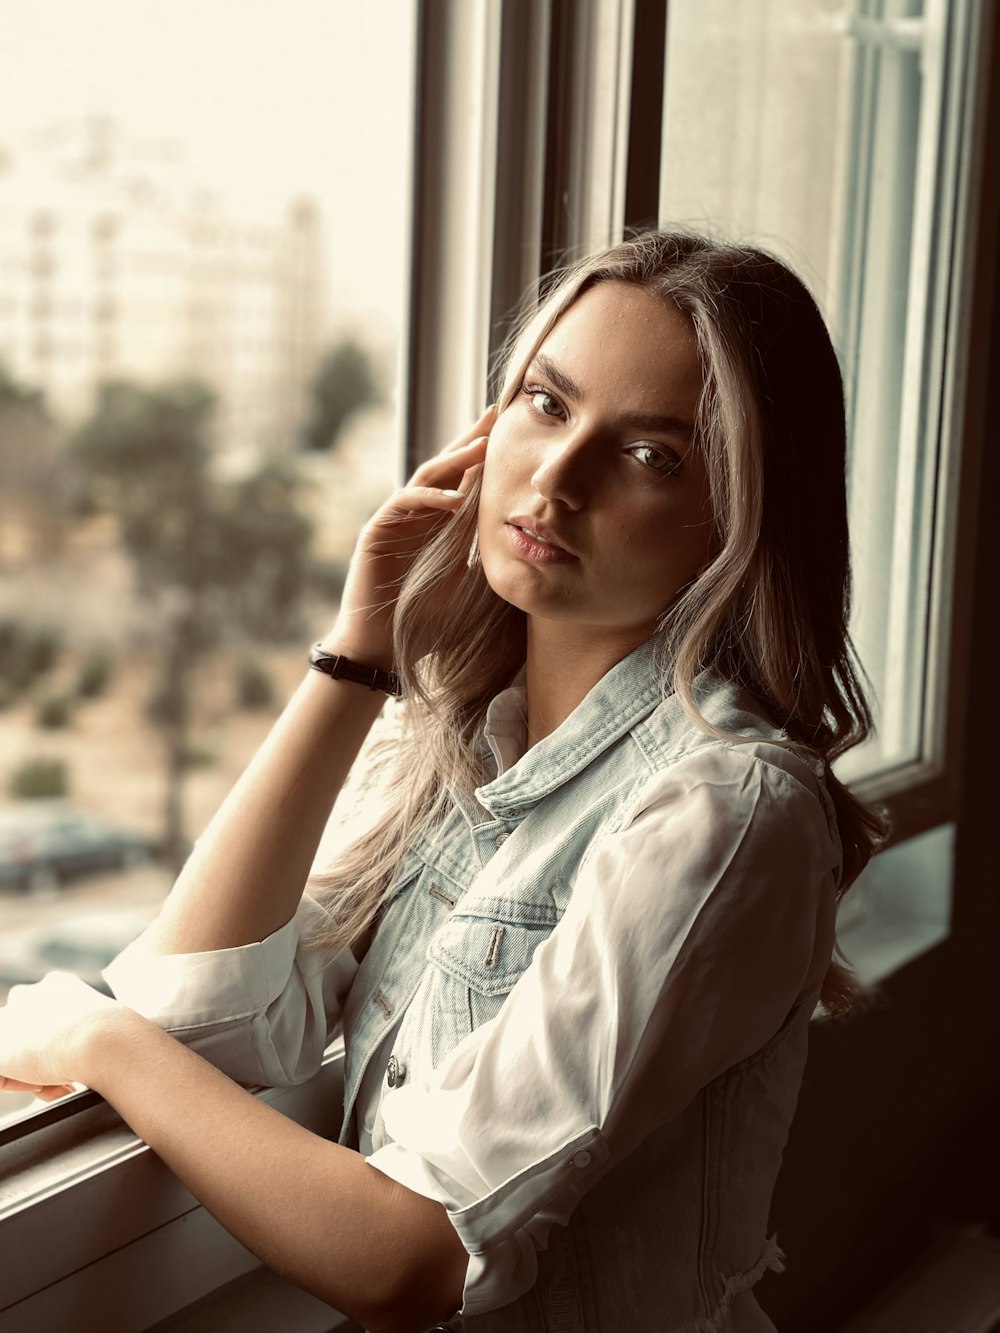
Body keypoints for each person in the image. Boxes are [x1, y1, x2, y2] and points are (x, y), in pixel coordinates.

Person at [0, 230, 886, 1332]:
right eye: (546, 404)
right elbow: (200, 1012)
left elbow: (410, 1257)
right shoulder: (447, 730)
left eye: (652, 455)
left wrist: (92, 1040)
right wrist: (354, 656)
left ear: (741, 516)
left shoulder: (722, 808)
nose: (555, 478)